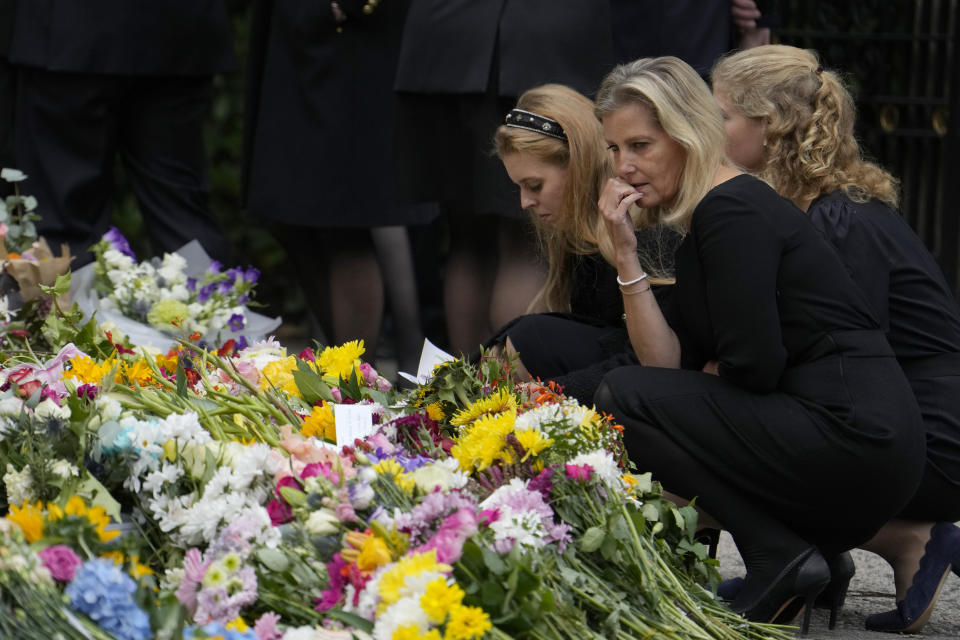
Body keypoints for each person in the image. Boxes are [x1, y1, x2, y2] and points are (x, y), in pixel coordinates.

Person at [590, 56, 926, 632]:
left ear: (690, 134)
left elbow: (754, 366)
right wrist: (625, 256)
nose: (625, 168)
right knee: (630, 394)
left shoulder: (733, 208)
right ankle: (789, 555)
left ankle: (781, 557)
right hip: (849, 436)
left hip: (857, 438)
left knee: (622, 395)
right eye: (615, 151)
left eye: (641, 145)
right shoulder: (712, 215)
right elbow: (667, 365)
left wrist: (705, 381)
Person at [711, 44, 960, 633]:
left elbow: (836, 369)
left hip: (936, 443)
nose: (704, 129)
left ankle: (865, 546)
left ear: (768, 128)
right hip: (915, 426)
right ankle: (857, 549)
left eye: (719, 115)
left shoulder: (833, 219)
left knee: (724, 430)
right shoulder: (817, 206)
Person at [393, 0, 616, 356]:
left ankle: (469, 393)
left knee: (466, 238)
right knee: (527, 243)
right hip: (541, 36)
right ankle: (516, 399)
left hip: (448, 40)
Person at [244, 0, 432, 374]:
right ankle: (349, 375)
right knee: (292, 214)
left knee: (347, 221)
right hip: (296, 35)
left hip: (353, 41)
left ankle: (355, 384)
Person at [487, 83, 676, 403]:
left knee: (527, 340)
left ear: (578, 165)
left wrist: (550, 395)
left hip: (655, 386)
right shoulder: (581, 229)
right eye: (519, 187)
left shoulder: (641, 223)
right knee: (514, 344)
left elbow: (652, 361)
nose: (524, 202)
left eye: (534, 185)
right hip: (619, 377)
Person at [7, 1, 234, 266]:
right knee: (180, 212)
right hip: (177, 32)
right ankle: (206, 295)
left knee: (61, 222)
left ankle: (63, 303)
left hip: (68, 34)